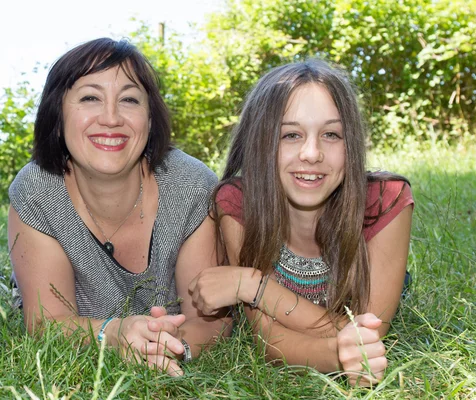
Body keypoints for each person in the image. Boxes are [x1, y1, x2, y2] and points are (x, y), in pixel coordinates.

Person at [7, 38, 231, 376]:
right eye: (90, 98)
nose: (111, 118)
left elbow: (209, 321)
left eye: (129, 99)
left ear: (150, 120)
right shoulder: (37, 192)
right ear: (58, 116)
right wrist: (113, 333)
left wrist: (171, 350)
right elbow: (47, 322)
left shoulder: (192, 187)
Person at [189, 59, 414, 385]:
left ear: (351, 145)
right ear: (260, 143)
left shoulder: (385, 200)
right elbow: (266, 337)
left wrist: (251, 285)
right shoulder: (238, 204)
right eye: (291, 134)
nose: (312, 153)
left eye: (332, 134)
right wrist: (339, 354)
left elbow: (369, 329)